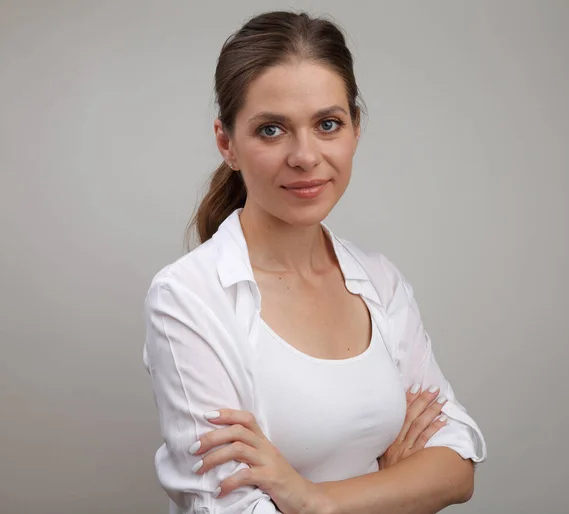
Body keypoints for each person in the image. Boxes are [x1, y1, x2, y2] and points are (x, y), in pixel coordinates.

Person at [143, 10, 487, 514]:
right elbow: (231, 509)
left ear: (355, 129)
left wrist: (311, 501)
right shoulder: (189, 297)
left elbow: (457, 465)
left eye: (328, 124)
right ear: (226, 143)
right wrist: (392, 485)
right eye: (271, 130)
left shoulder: (380, 282)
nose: (305, 156)